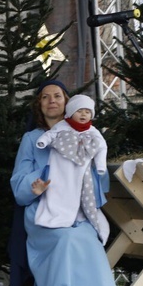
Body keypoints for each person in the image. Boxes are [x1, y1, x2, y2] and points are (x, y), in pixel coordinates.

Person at [10, 80, 126, 286]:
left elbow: (99, 187)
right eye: (45, 97)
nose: (51, 100)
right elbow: (19, 187)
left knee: (88, 242)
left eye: (57, 96)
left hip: (79, 213)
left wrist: (89, 171)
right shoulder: (32, 140)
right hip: (43, 213)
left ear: (68, 104)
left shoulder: (88, 137)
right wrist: (43, 179)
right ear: (38, 106)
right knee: (65, 239)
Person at [31, 94, 110, 245]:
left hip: (81, 170)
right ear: (71, 112)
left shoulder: (92, 131)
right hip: (61, 168)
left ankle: (84, 217)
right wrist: (42, 142)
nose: (83, 114)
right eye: (80, 111)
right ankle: (56, 216)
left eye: (87, 112)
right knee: (58, 191)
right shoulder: (63, 126)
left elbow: (102, 147)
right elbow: (50, 135)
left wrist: (101, 166)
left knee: (81, 191)